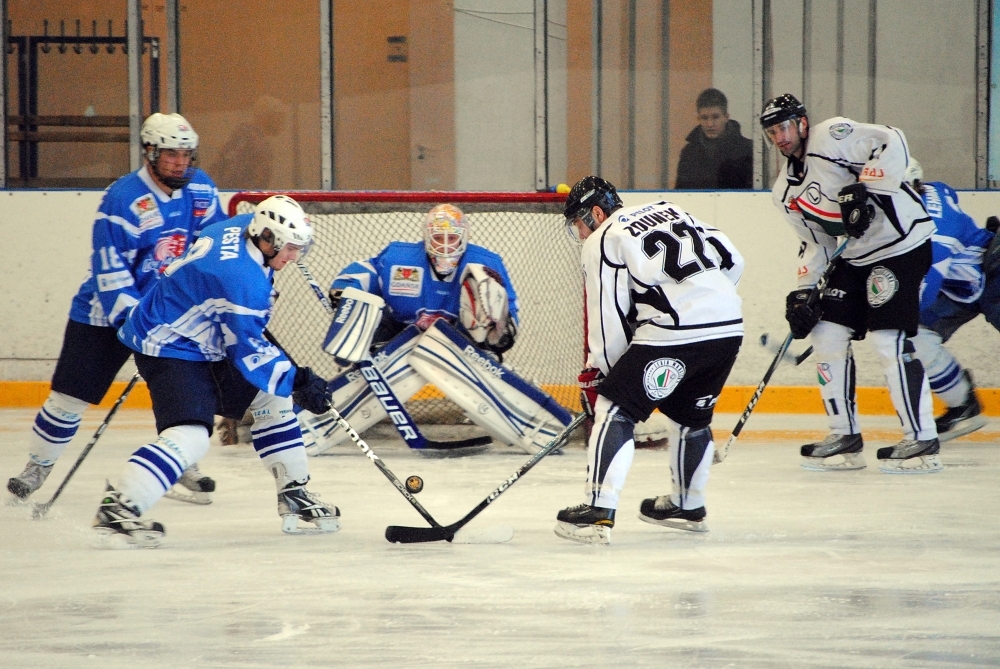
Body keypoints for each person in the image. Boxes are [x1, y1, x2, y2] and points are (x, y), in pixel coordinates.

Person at [93, 195, 338, 547]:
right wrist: (298, 382)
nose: (294, 256)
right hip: (171, 345)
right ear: (267, 238)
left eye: (300, 247)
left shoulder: (241, 227)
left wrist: (228, 311)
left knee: (272, 398)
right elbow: (248, 350)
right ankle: (118, 508)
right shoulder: (242, 281)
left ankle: (294, 492)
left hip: (194, 330)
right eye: (289, 247)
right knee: (191, 434)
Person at [7, 113, 226, 504]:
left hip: (171, 313)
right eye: (171, 154)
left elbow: (214, 245)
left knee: (182, 393)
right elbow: (109, 267)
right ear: (149, 152)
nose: (180, 162)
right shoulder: (123, 198)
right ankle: (39, 464)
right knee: (70, 397)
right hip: (104, 315)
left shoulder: (202, 189)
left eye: (186, 154)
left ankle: (179, 464)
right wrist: (130, 318)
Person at [554, 176, 745, 545]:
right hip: (727, 325)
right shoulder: (668, 209)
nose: (579, 232)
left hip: (675, 331)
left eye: (578, 221)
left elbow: (607, 316)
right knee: (691, 417)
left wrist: (601, 374)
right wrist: (705, 300)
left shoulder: (602, 237)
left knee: (615, 409)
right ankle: (687, 507)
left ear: (596, 213)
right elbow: (733, 259)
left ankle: (597, 511)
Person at [760, 93, 941, 474]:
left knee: (886, 338)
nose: (780, 137)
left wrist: (867, 184)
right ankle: (845, 434)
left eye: (785, 127)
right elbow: (816, 245)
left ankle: (922, 438)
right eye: (772, 132)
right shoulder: (784, 193)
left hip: (900, 244)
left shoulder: (831, 136)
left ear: (803, 123)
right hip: (855, 259)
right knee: (825, 332)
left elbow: (893, 139)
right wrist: (803, 292)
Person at [301, 203, 573, 456]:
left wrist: (499, 328)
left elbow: (508, 314)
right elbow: (370, 269)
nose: (444, 246)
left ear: (463, 237)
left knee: (473, 336)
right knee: (363, 308)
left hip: (458, 342)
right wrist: (349, 285)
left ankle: (511, 402)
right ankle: (346, 384)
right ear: (426, 237)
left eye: (451, 238)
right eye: (438, 238)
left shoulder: (485, 264)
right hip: (399, 333)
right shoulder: (401, 258)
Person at [906, 159, 995, 440]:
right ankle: (963, 405)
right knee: (915, 336)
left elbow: (926, 290)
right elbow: (948, 193)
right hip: (960, 287)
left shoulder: (936, 232)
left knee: (906, 322)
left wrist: (889, 312)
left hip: (993, 274)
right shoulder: (931, 190)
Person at [675, 88, 753, 190]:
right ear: (698, 119)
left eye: (715, 117)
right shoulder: (689, 152)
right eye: (704, 118)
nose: (710, 124)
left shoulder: (747, 149)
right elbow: (681, 191)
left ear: (726, 117)